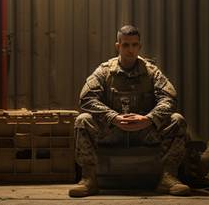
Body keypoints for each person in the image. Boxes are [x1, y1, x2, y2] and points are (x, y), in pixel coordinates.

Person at [69, 25, 190, 197]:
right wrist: (113, 117)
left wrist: (148, 119)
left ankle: (168, 177)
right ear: (118, 46)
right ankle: (89, 179)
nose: (130, 50)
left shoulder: (151, 72)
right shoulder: (105, 71)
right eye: (126, 45)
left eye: (134, 45)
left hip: (144, 131)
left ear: (139, 46)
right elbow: (86, 98)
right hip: (112, 131)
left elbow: (170, 99)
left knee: (177, 120)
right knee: (83, 120)